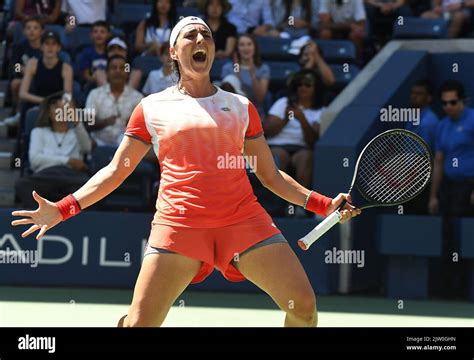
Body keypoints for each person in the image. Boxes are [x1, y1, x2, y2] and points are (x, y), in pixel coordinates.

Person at [11, 17, 360, 328]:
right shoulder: (150, 107)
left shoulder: (240, 107)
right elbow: (117, 170)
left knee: (303, 307)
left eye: (205, 35)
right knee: (139, 325)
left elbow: (270, 175)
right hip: (179, 225)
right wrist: (64, 208)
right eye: (190, 35)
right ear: (174, 51)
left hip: (242, 221)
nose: (200, 40)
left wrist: (323, 204)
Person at [428, 79, 473, 299]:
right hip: (449, 188)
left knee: (463, 236)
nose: (448, 107)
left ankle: (464, 289)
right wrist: (433, 196)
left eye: (453, 102)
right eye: (444, 103)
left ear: (463, 101)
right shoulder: (442, 126)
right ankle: (448, 289)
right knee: (448, 236)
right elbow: (438, 161)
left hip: (469, 187)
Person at [15, 92, 92, 208]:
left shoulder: (78, 132)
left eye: (66, 107)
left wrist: (77, 122)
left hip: (71, 177)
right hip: (45, 176)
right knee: (22, 185)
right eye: (56, 107)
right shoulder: (38, 132)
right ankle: (44, 217)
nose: (61, 110)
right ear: (49, 113)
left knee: (95, 190)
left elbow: (88, 148)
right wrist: (68, 161)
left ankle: (72, 220)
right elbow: (35, 160)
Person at [264, 70, 324, 193]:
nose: (302, 88)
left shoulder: (321, 111)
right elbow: (266, 131)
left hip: (301, 147)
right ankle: (276, 203)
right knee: (278, 156)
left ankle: (299, 205)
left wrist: (302, 119)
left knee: (306, 157)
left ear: (316, 88)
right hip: (277, 145)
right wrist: (285, 120)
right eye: (299, 84)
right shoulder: (283, 103)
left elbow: (313, 141)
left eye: (307, 85)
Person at [85, 55, 143, 146]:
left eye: (122, 68)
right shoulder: (95, 94)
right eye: (113, 68)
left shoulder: (137, 98)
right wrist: (104, 122)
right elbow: (88, 122)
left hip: (127, 148)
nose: (118, 71)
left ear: (127, 73)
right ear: (107, 73)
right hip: (98, 145)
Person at [403, 79, 439, 215]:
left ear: (429, 98)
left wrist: (407, 179)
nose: (414, 96)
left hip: (419, 183)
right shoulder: (412, 118)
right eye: (412, 93)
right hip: (408, 181)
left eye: (419, 93)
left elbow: (423, 156)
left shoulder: (428, 122)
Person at [2, 16, 44, 127]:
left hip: (43, 79)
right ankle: (18, 113)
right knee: (16, 83)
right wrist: (26, 71)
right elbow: (15, 67)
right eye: (28, 28)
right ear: (24, 31)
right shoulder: (18, 47)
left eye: (35, 28)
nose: (32, 31)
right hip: (24, 78)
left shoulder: (47, 47)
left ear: (42, 31)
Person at [19, 30, 73, 108]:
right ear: (41, 47)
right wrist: (45, 101)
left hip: (57, 106)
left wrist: (55, 104)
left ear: (59, 48)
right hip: (37, 103)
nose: (50, 47)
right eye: (47, 43)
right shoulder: (32, 64)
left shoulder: (66, 68)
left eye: (53, 44)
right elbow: (22, 93)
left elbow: (67, 97)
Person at [220, 34, 270, 116]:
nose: (246, 48)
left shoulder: (263, 68)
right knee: (230, 78)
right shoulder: (227, 68)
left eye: (249, 44)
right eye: (242, 45)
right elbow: (227, 95)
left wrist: (252, 73)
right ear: (237, 49)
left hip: (254, 111)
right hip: (232, 111)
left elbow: (260, 98)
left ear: (254, 47)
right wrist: (237, 72)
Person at [76, 20, 111, 90]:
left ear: (108, 35)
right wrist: (98, 79)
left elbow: (125, 68)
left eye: (102, 32)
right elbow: (86, 75)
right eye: (95, 32)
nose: (99, 35)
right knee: (99, 73)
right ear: (91, 35)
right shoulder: (86, 52)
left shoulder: (112, 51)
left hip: (111, 82)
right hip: (92, 85)